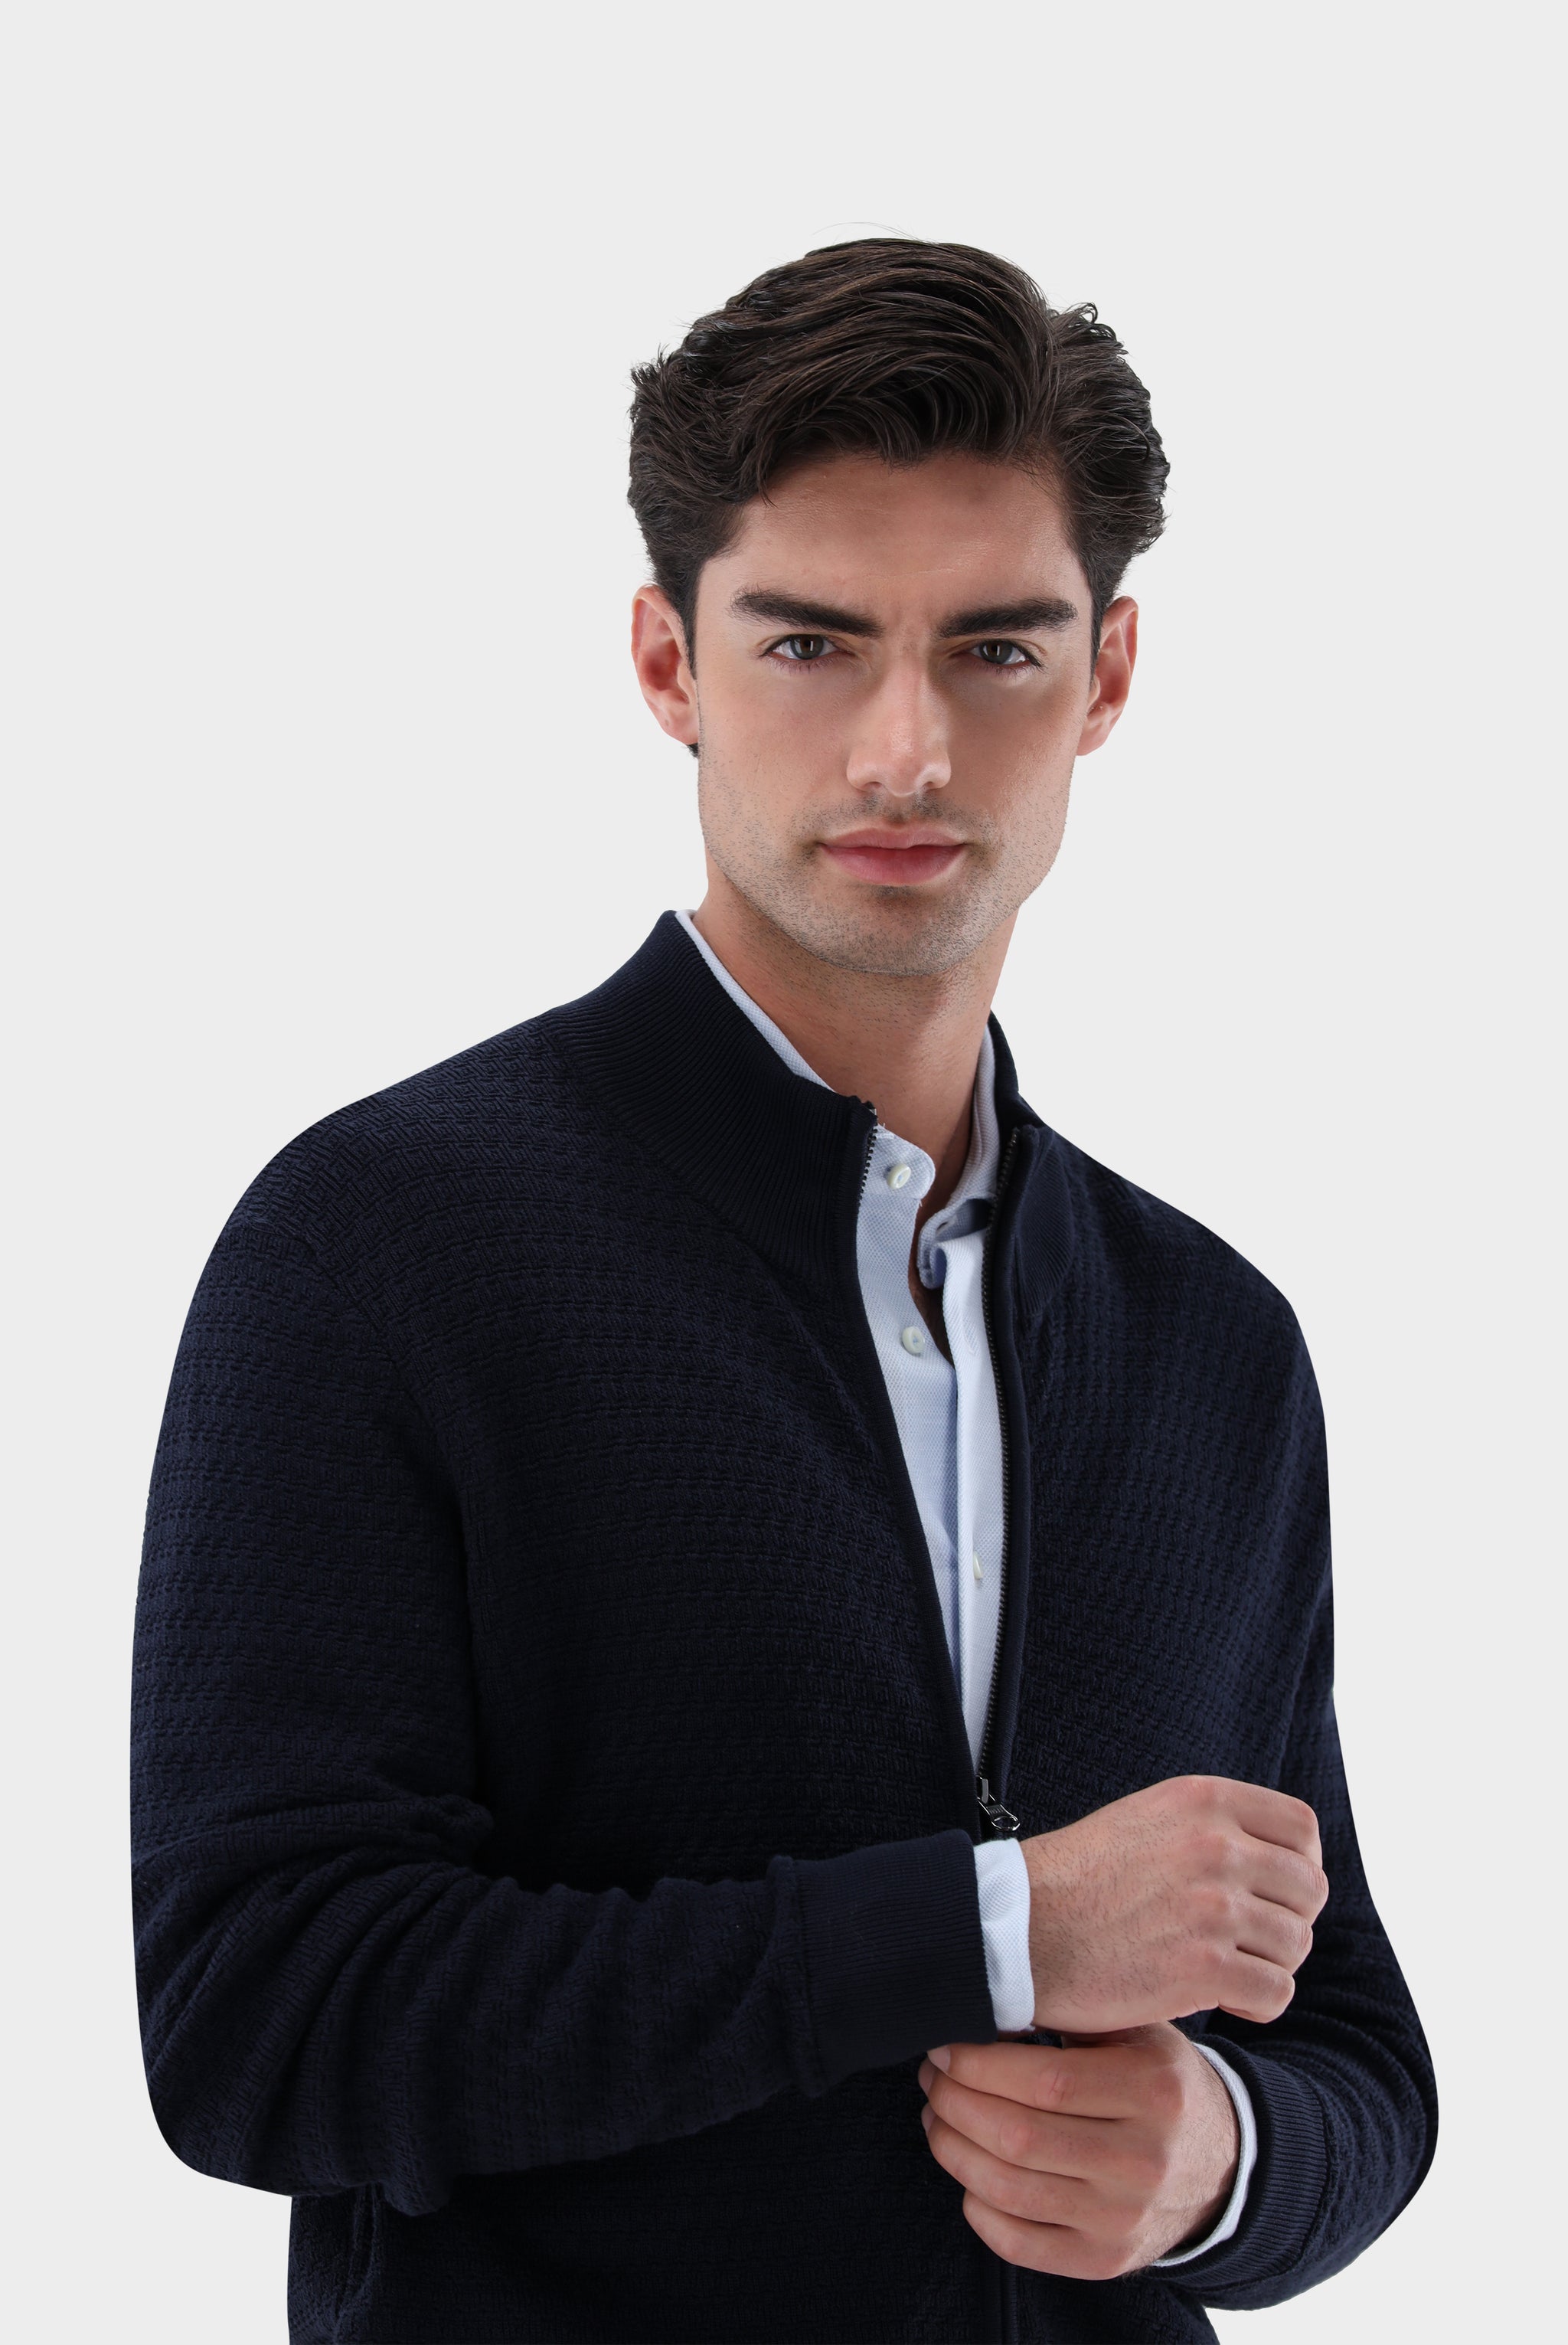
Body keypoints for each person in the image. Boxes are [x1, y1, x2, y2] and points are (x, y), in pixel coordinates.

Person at [132, 238, 1436, 2345]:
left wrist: (1222, 2162)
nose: (908, 750)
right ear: (670, 662)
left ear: (1107, 677)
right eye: (813, 643)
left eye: (996, 650)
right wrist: (991, 1933)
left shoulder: (1211, 1342)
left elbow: (1344, 2034)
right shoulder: (379, 1245)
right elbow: (261, 2022)